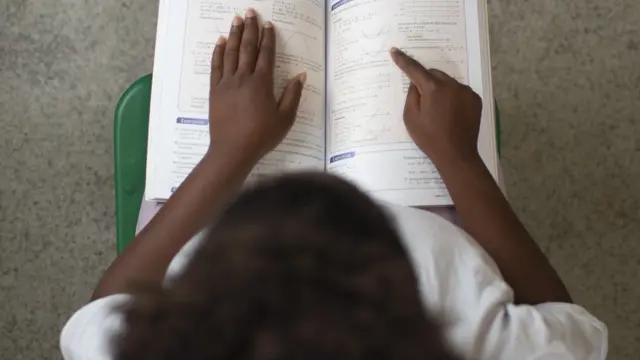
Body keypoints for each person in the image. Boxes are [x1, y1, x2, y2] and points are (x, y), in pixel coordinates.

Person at [60, 9, 607, 360]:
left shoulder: (168, 344)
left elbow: (97, 316)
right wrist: (459, 158)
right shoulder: (473, 340)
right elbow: (567, 323)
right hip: (425, 204)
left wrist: (227, 154)